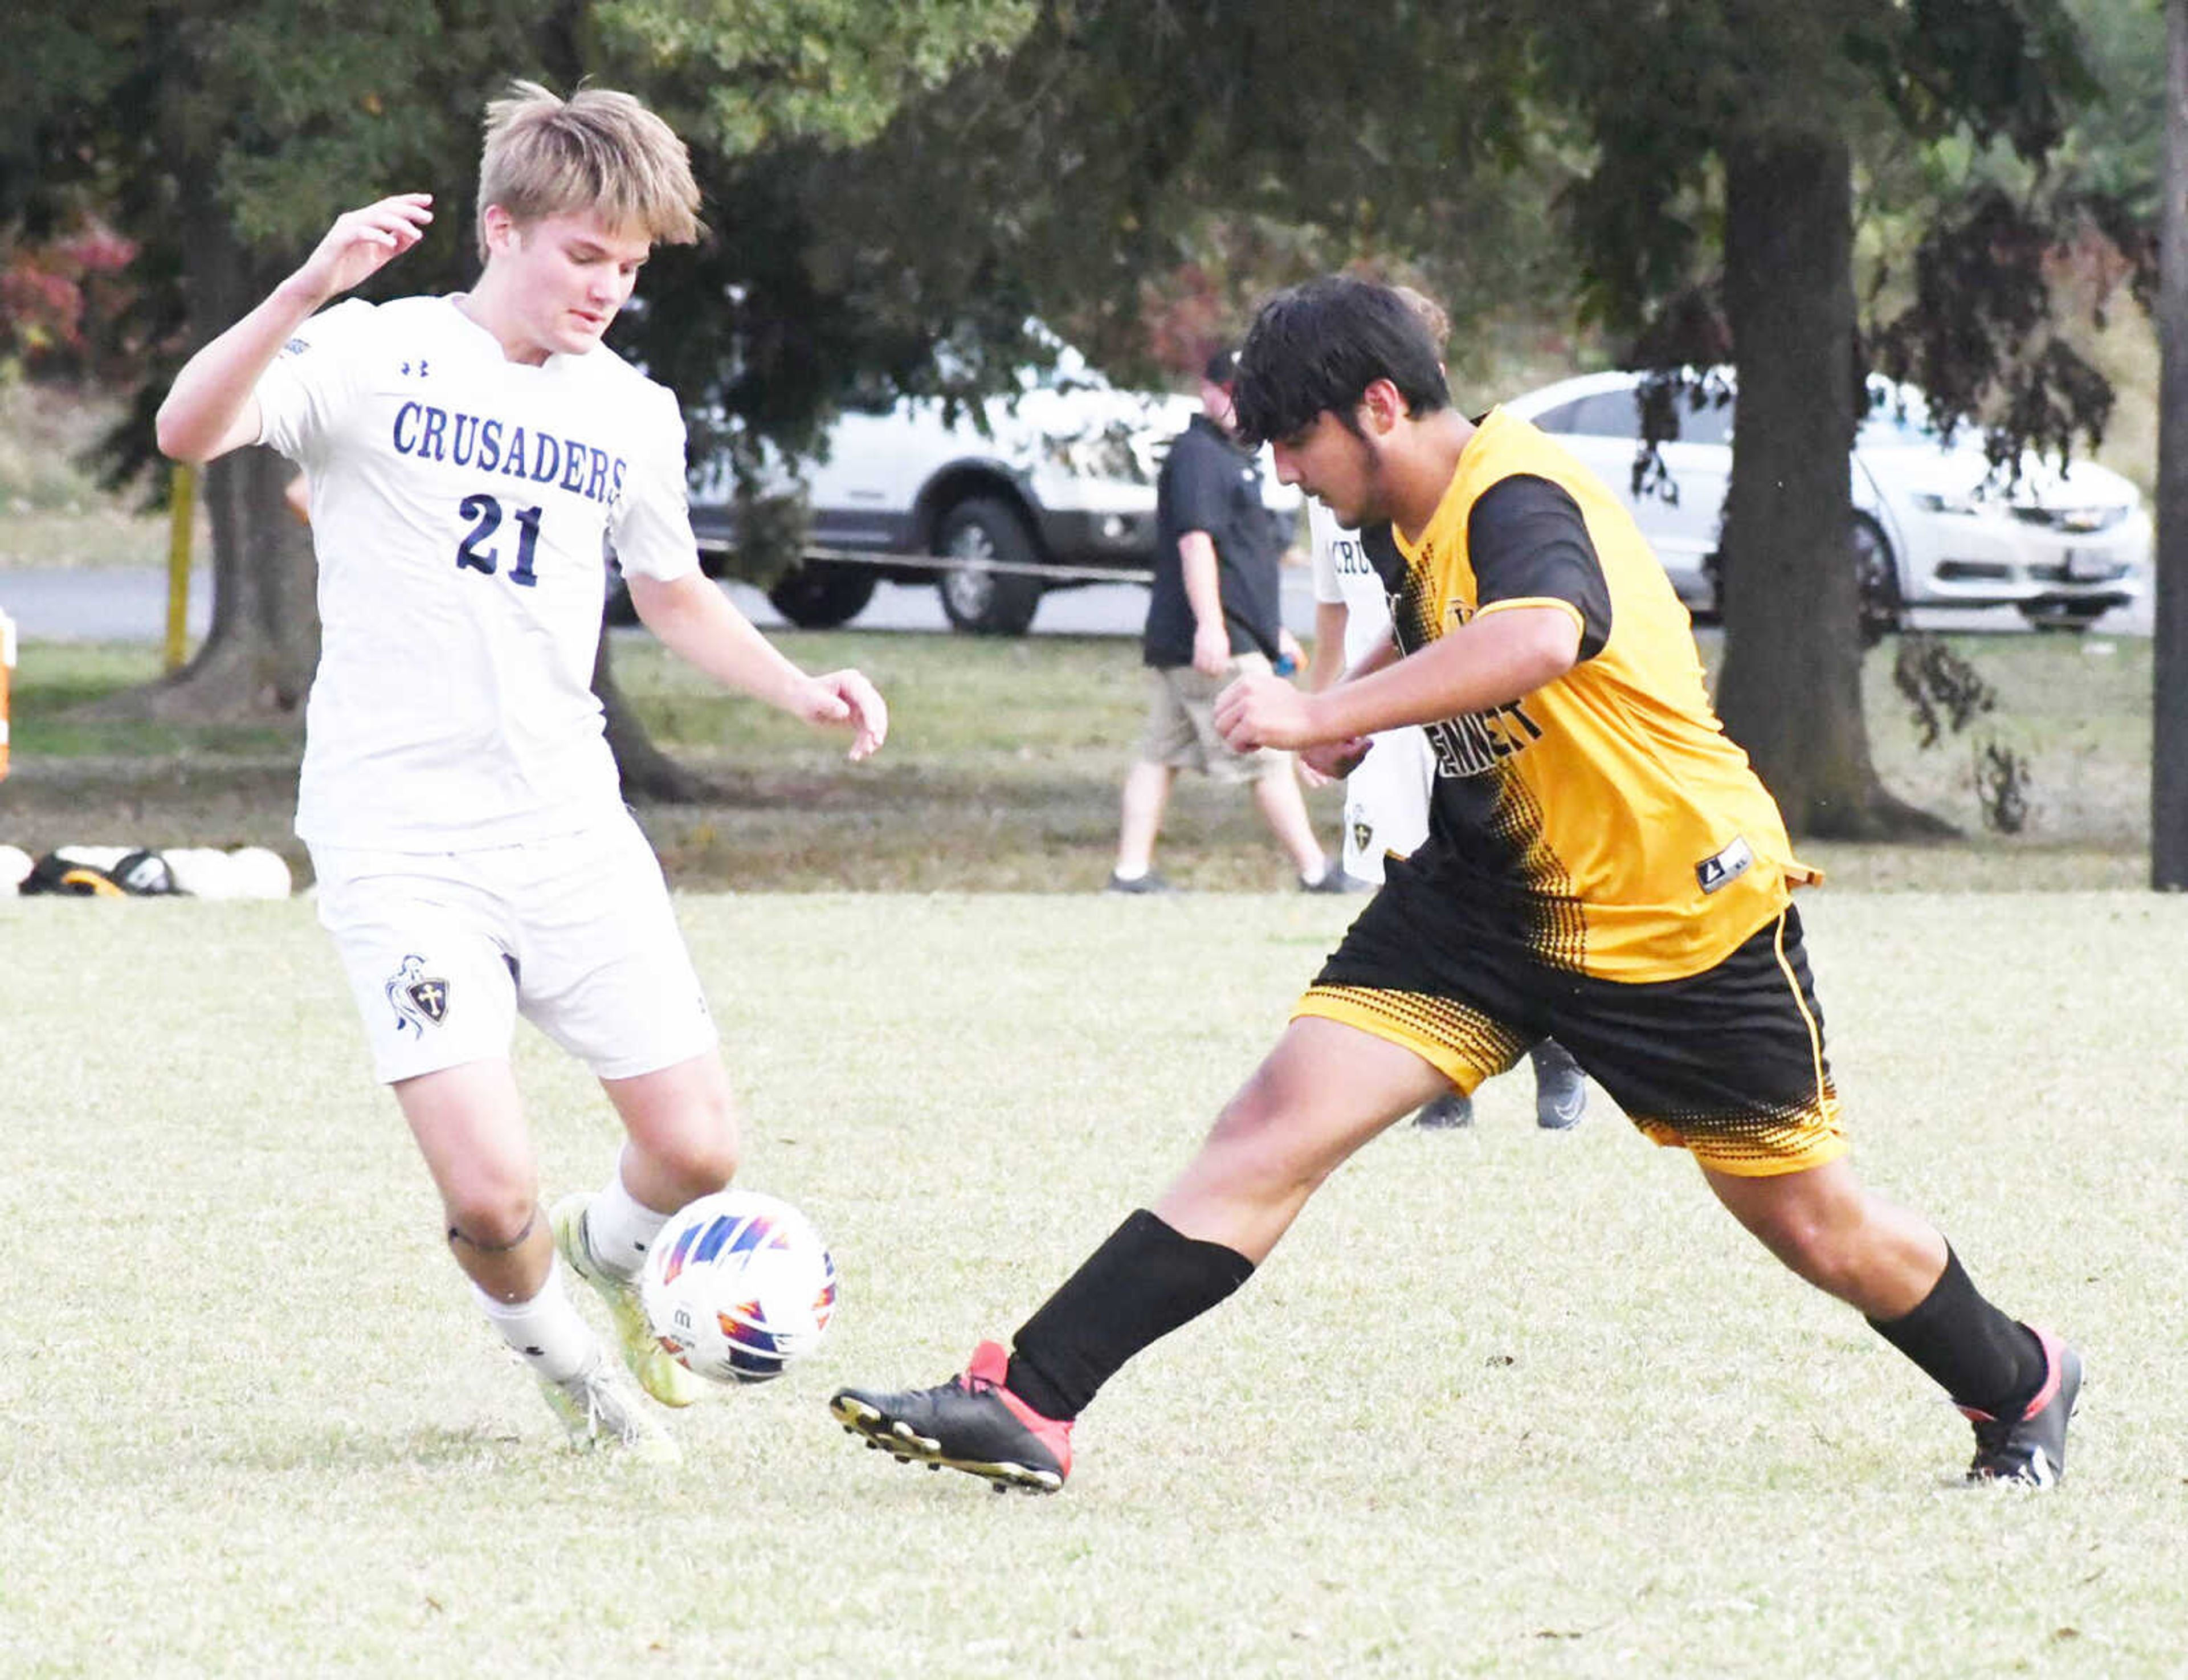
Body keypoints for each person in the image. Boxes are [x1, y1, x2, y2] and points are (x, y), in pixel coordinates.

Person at [830, 276, 2079, 1495]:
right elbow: (1437, 612)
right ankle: (1031, 1401)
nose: (1280, 474)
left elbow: (1540, 629)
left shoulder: (1519, 490)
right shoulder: (1399, 503)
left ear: (1380, 406)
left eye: (1294, 441)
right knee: (1271, 1126)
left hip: (1673, 914)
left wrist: (1326, 706)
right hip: (1487, 901)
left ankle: (2021, 1381)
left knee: (1819, 1229)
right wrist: (1362, 711)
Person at [155, 81, 887, 1461]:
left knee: (696, 1152)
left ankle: (605, 1264)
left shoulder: (631, 413)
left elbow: (670, 596)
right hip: (399, 838)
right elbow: (188, 433)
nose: (607, 288)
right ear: (502, 227)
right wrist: (308, 282)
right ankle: (587, 1390)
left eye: (628, 265)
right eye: (583, 255)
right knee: (489, 1201)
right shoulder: (374, 354)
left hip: (565, 825)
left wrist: (797, 684)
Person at [1303, 286, 1584, 1133]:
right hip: (1391, 705)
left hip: (1480, 708)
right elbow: (1356, 613)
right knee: (1403, 864)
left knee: (1513, 874)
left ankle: (1557, 1046)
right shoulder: (1342, 495)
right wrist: (1331, 709)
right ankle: (1444, 1073)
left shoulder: (1497, 482)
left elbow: (1531, 632)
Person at [1108, 346, 1351, 895]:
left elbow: (1244, 559)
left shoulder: (1234, 456)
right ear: (1209, 390)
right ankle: (1316, 872)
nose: (1243, 404)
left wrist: (1272, 631)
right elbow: (1197, 543)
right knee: (1265, 757)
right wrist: (1212, 626)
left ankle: (1129, 872)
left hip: (1229, 633)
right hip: (1213, 639)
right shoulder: (1198, 456)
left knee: (1157, 755)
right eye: (1233, 391)